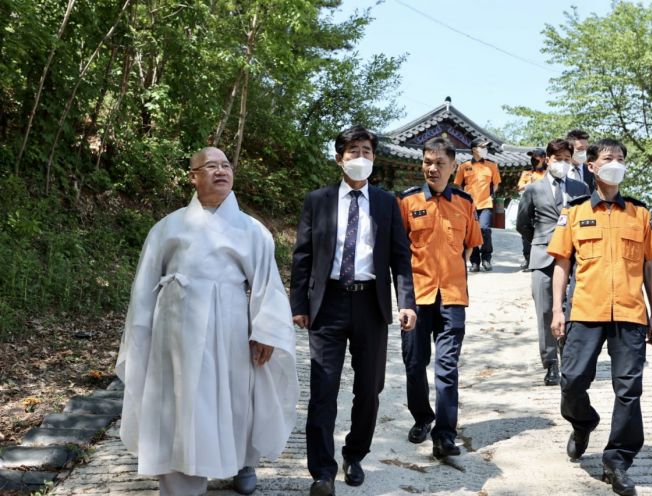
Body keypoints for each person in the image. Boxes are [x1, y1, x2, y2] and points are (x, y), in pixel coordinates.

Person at [116, 147, 299, 496]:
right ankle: (179, 481)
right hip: (175, 328)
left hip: (228, 326)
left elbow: (267, 284)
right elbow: (144, 285)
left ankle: (242, 461)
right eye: (211, 166)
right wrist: (140, 331)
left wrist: (265, 331)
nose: (221, 171)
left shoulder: (252, 230)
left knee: (233, 399)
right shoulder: (167, 227)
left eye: (226, 165)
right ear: (193, 176)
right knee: (177, 401)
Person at [290, 125, 417, 496]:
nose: (361, 158)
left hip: (370, 305)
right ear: (339, 158)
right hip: (327, 304)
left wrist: (405, 301)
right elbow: (303, 255)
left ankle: (355, 454)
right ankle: (322, 471)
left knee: (369, 389)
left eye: (366, 151)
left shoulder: (385, 202)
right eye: (353, 151)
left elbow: (400, 256)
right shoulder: (318, 200)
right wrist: (299, 303)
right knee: (323, 388)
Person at [548, 139, 652, 496]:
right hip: (585, 311)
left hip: (630, 313)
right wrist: (557, 310)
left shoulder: (640, 213)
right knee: (572, 380)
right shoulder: (575, 211)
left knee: (629, 389)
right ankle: (583, 422)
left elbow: (650, 267)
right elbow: (562, 264)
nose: (615, 164)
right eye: (608, 159)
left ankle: (618, 459)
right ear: (593, 167)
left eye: (620, 159)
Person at [397, 137, 483, 459]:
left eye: (439, 163)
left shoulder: (465, 202)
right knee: (414, 363)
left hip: (452, 296)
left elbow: (471, 243)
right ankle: (422, 417)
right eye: (427, 162)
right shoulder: (406, 201)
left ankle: (444, 434)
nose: (432, 168)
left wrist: (455, 268)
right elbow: (398, 250)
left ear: (453, 167)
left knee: (447, 366)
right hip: (417, 296)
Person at [516, 140, 590, 386]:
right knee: (546, 311)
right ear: (547, 159)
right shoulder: (533, 189)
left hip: (575, 258)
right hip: (543, 256)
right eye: (557, 157)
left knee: (573, 310)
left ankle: (569, 359)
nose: (562, 162)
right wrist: (539, 242)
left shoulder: (581, 187)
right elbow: (522, 224)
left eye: (567, 158)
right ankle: (551, 364)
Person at [454, 137, 501, 272]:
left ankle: (486, 258)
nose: (485, 150)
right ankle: (474, 262)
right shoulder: (463, 166)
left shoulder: (492, 166)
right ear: (474, 149)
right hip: (469, 205)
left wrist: (489, 196)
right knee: (470, 232)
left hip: (485, 203)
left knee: (484, 229)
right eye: (482, 147)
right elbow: (458, 185)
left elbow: (496, 184)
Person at [517, 149, 548, 271]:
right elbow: (520, 188)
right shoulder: (527, 173)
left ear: (544, 158)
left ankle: (540, 259)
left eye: (537, 157)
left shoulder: (548, 172)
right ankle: (528, 258)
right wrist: (531, 183)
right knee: (525, 232)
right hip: (528, 205)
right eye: (532, 157)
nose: (534, 159)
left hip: (544, 206)